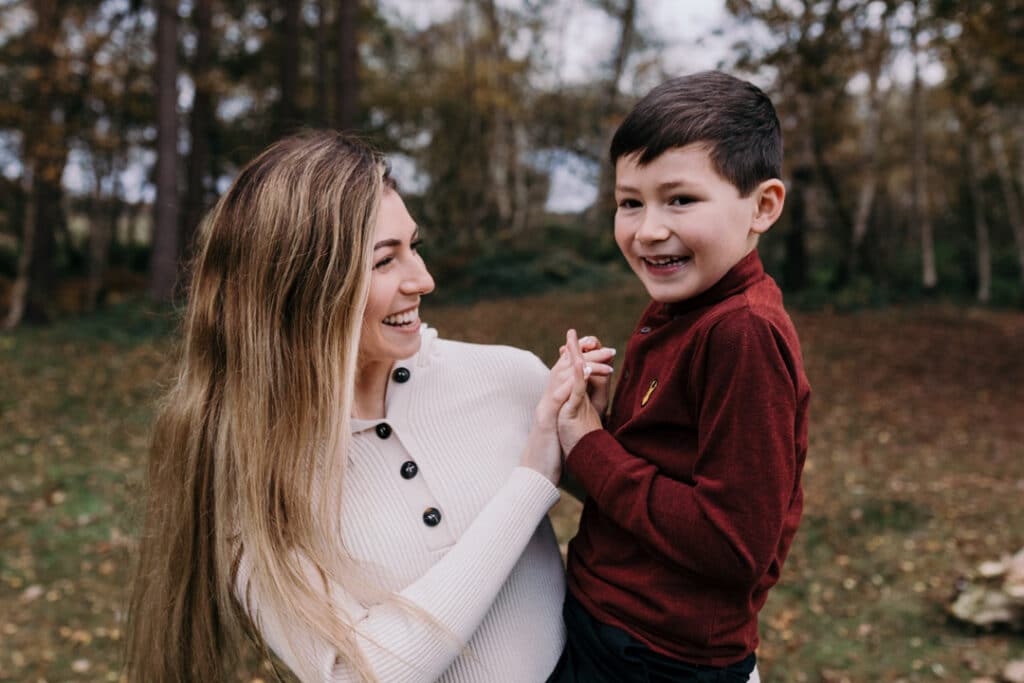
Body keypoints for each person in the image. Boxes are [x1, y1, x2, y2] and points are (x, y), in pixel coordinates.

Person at [124, 131, 615, 683]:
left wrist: (595, 439)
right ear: (302, 288)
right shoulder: (251, 471)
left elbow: (659, 527)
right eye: (385, 261)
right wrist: (531, 482)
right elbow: (359, 674)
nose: (423, 279)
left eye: (415, 246)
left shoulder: (508, 377)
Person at [547, 71, 811, 682]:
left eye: (681, 200)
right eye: (630, 202)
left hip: (658, 656)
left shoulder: (741, 332)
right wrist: (596, 431)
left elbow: (733, 544)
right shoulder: (677, 311)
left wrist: (591, 442)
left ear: (763, 206)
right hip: (604, 617)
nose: (648, 230)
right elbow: (648, 488)